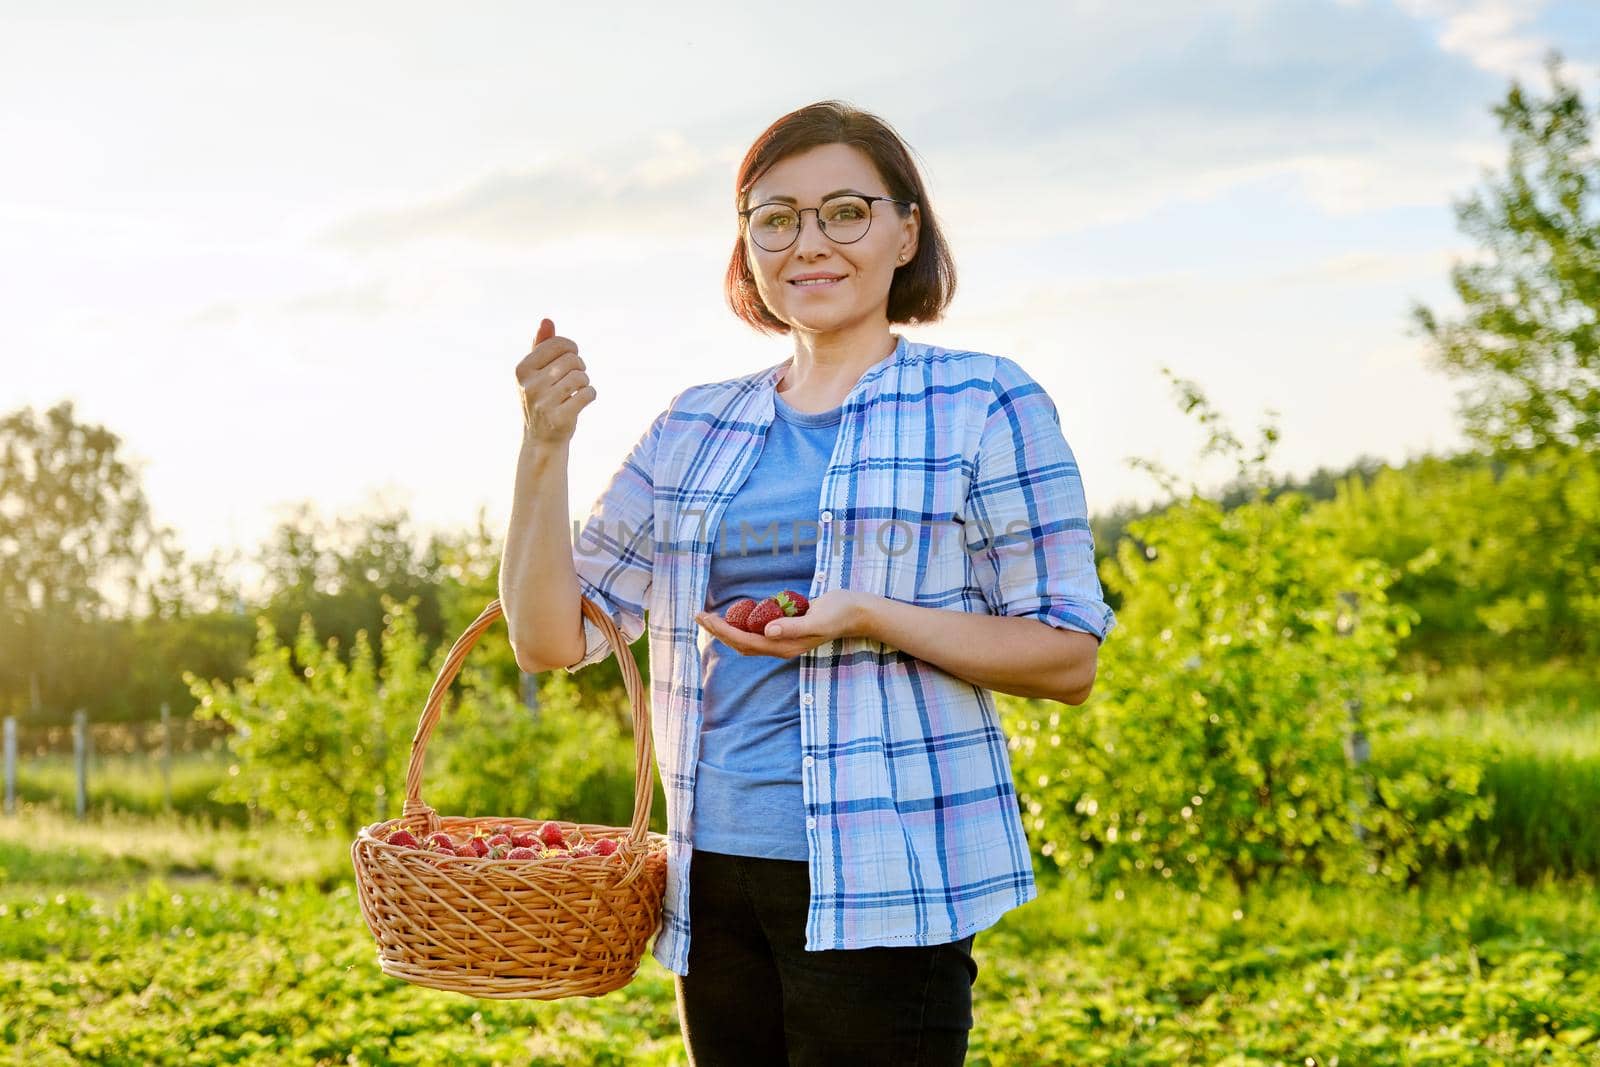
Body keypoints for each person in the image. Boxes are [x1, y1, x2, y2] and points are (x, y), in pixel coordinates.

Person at [501, 99, 1116, 1067]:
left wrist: (868, 613)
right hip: (712, 872)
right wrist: (544, 447)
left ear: (905, 231)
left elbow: (1067, 656)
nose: (808, 243)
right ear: (746, 247)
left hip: (889, 874)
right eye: (775, 217)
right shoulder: (694, 424)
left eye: (845, 211)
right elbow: (548, 639)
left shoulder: (984, 400)